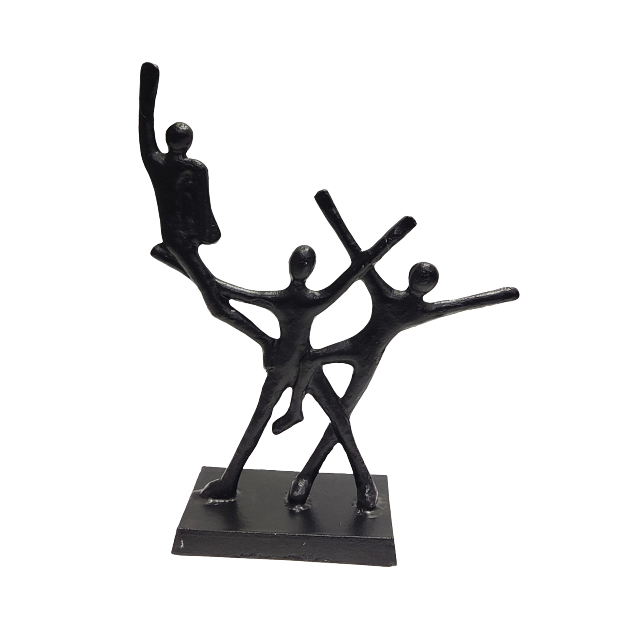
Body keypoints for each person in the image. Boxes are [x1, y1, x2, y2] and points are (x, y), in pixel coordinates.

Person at [272, 190, 520, 505]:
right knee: (310, 362)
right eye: (421, 277)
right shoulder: (396, 298)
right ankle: (296, 411)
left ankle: (320, 478)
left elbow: (461, 303)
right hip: (357, 347)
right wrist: (331, 212)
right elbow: (359, 257)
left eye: (426, 279)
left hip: (366, 358)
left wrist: (502, 295)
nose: (422, 281)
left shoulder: (417, 308)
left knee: (340, 417)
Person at [139, 62, 271, 354]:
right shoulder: (195, 168)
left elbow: (144, 133)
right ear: (188, 142)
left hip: (175, 240)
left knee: (210, 287)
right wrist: (210, 233)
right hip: (183, 242)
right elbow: (203, 210)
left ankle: (269, 340)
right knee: (216, 303)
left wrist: (147, 88)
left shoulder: (158, 163)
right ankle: (267, 342)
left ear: (169, 140)